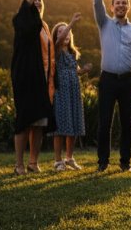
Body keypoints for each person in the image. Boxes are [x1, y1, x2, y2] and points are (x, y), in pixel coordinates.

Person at [93, 0, 131, 173]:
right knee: (104, 123)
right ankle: (102, 163)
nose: (121, 5)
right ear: (112, 7)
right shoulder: (104, 23)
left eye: (124, 3)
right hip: (107, 80)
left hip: (127, 81)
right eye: (118, 3)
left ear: (128, 7)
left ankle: (125, 163)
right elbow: (96, 3)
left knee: (127, 124)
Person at [10, 0, 57, 175]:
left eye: (40, 0)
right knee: (25, 120)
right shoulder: (21, 22)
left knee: (40, 122)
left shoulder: (44, 26)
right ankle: (19, 164)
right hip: (27, 78)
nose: (37, 1)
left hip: (44, 81)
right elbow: (27, 3)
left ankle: (33, 162)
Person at [50, 13, 92, 172]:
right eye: (61, 32)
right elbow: (59, 41)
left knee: (73, 125)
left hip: (74, 91)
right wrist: (71, 23)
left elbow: (76, 71)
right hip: (61, 92)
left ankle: (69, 158)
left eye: (67, 32)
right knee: (60, 127)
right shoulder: (57, 50)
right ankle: (58, 161)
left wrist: (84, 70)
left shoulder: (73, 52)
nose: (65, 35)